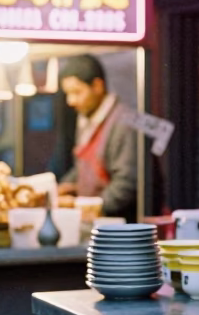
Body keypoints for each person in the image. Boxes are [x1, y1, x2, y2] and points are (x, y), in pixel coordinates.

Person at [55, 55, 139, 221]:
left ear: (97, 86)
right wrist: (64, 186)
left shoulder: (124, 123)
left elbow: (126, 184)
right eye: (68, 94)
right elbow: (84, 165)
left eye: (77, 92)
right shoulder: (87, 119)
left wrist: (87, 206)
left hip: (118, 228)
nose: (70, 101)